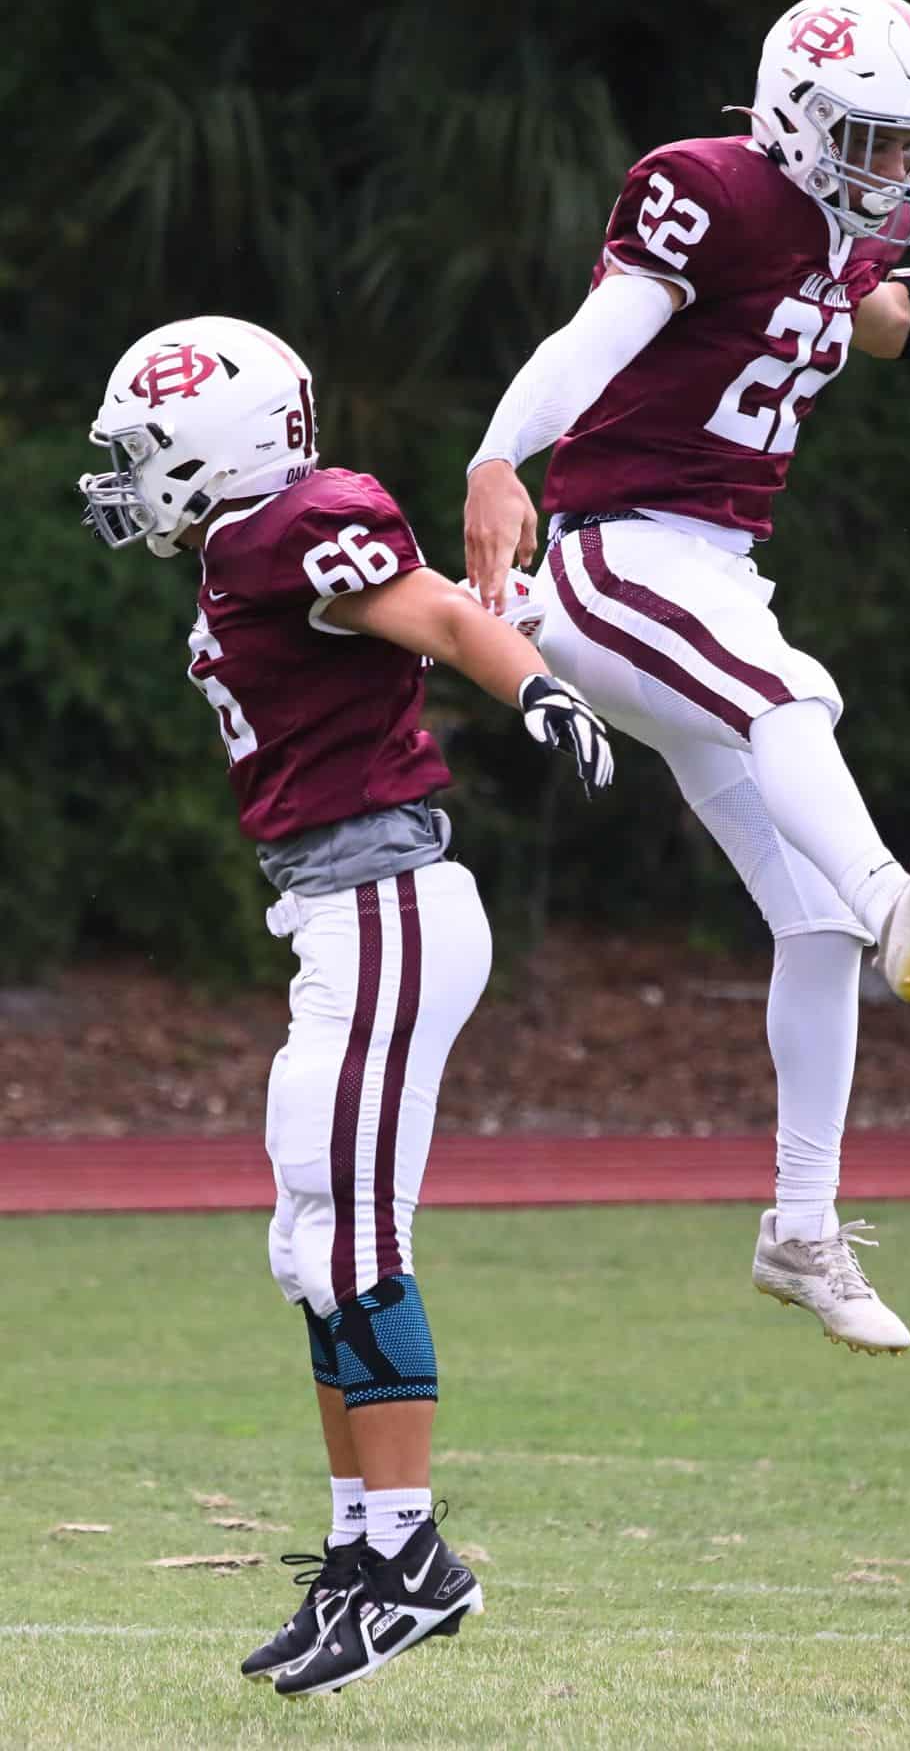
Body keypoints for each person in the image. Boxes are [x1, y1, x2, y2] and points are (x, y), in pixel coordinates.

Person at [463, 0, 910, 1356]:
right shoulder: (707, 190)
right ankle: (903, 903)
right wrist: (496, 457)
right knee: (789, 697)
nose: (897, 170)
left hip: (714, 571)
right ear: (794, 115)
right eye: (874, 140)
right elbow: (593, 341)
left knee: (806, 920)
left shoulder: (846, 234)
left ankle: (802, 1229)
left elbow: (890, 318)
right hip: (615, 558)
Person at [78, 314, 613, 1698]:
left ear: (220, 445)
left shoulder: (295, 525)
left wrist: (539, 691)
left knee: (356, 1237)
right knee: (310, 1245)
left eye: (146, 453)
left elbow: (435, 612)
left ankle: (412, 1560)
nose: (130, 478)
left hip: (386, 907)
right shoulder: (244, 551)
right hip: (339, 914)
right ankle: (361, 1553)